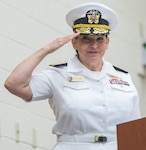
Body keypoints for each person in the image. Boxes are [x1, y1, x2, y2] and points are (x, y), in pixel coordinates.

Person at [4, 2, 141, 150]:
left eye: (100, 39)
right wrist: (47, 49)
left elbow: (134, 132)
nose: (94, 45)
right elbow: (14, 84)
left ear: (107, 42)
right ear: (74, 42)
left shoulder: (124, 78)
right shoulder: (58, 75)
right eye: (86, 39)